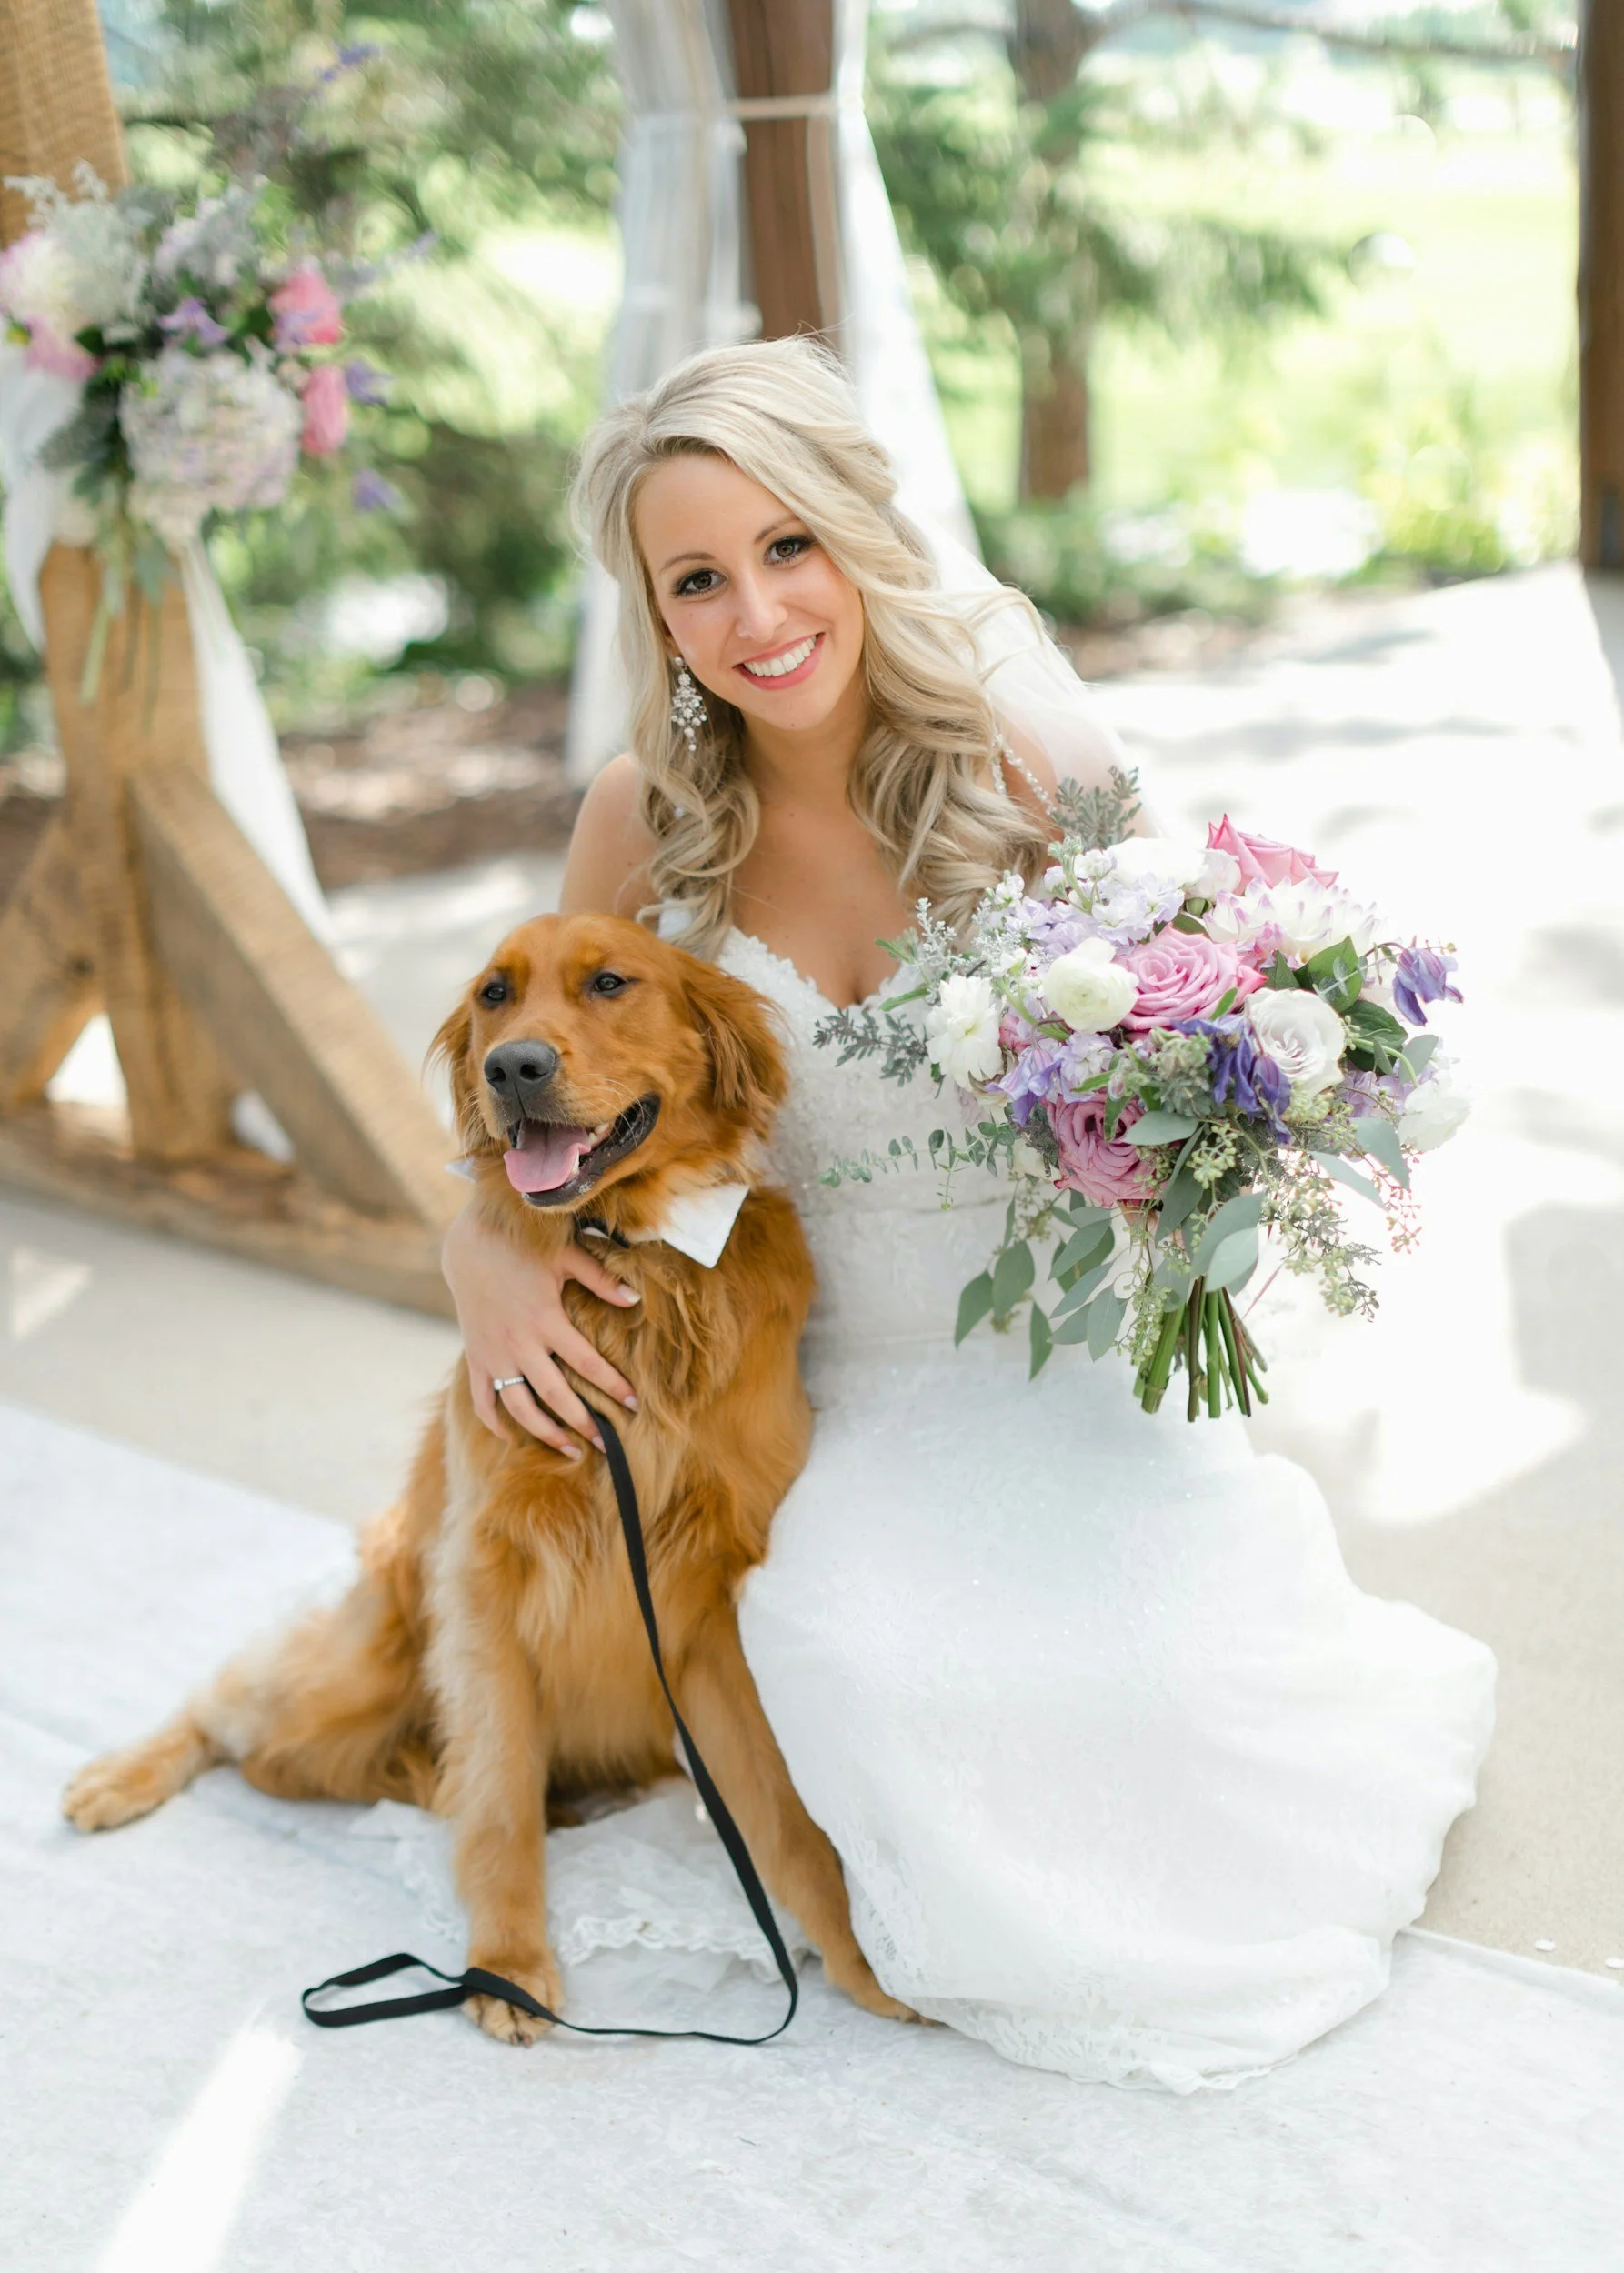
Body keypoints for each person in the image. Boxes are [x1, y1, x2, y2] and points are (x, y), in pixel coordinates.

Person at [442, 336, 1495, 2090]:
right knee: (845, 1643)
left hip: (1060, 1352)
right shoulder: (642, 817)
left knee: (1164, 1688)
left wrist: (1211, 1140)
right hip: (831, 1384)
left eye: (787, 547)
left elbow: (1204, 1018)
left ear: (861, 532)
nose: (756, 612)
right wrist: (485, 1253)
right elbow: (536, 1078)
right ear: (653, 613)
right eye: (694, 579)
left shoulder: (1029, 762)